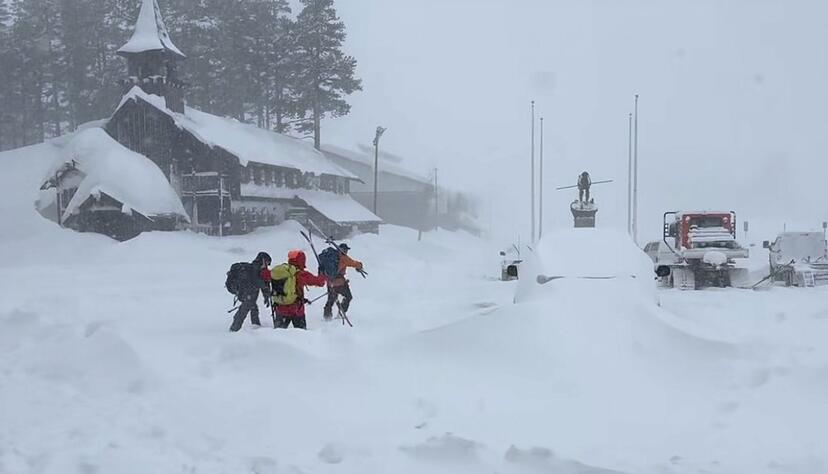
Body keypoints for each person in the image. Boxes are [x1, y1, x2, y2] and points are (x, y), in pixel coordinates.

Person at [273, 249, 326, 329]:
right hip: (296, 310)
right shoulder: (301, 274)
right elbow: (320, 282)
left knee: (277, 335)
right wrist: (321, 272)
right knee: (302, 336)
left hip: (280, 308)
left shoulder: (283, 272)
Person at [229, 252, 272, 332]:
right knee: (245, 309)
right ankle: (234, 329)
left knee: (253, 307)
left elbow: (260, 282)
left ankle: (255, 326)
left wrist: (266, 295)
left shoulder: (256, 268)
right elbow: (257, 282)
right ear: (263, 260)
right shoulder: (255, 268)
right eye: (267, 262)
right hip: (247, 293)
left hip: (248, 292)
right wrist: (265, 285)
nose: (267, 265)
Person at [323, 243, 364, 320]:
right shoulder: (343, 257)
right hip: (340, 283)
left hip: (330, 282)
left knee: (331, 299)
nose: (346, 251)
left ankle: (327, 316)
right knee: (348, 297)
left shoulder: (331, 256)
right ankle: (341, 314)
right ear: (343, 249)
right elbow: (354, 263)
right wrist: (360, 265)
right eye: (345, 250)